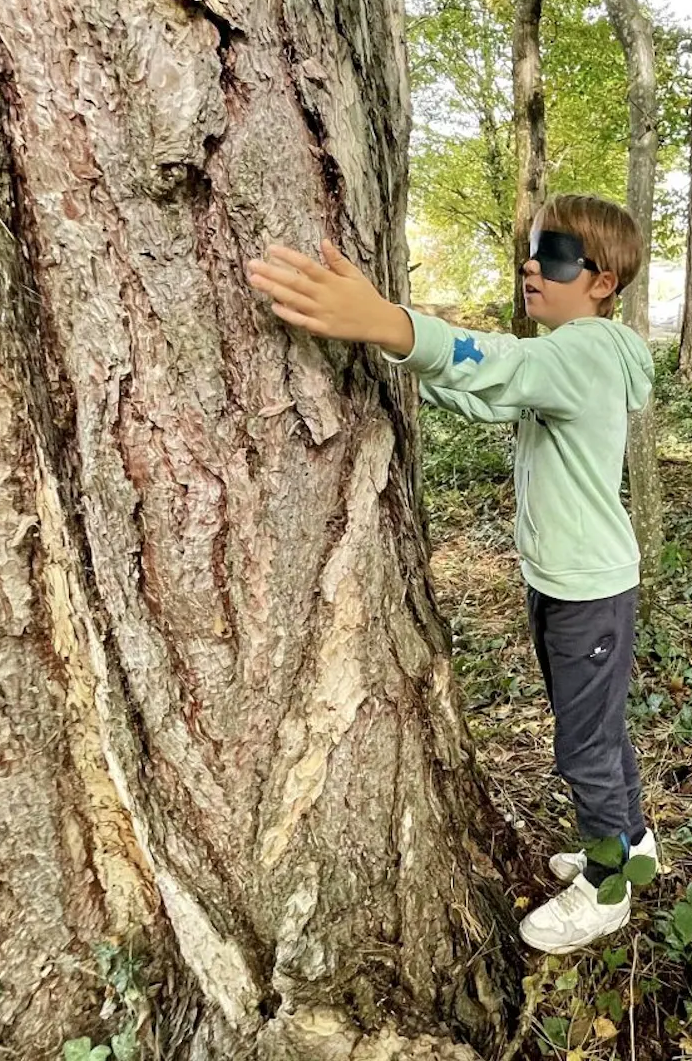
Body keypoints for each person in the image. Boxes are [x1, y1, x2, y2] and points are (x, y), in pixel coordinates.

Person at [246, 193, 658, 954]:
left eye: (558, 254)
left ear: (602, 281)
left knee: (583, 747)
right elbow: (492, 391)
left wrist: (389, 324)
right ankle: (631, 849)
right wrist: (391, 350)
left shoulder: (588, 351)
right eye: (533, 250)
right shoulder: (574, 358)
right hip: (571, 581)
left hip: (588, 591)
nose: (535, 265)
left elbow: (499, 361)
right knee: (600, 732)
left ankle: (608, 891)